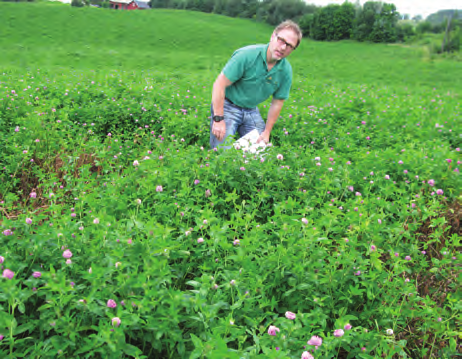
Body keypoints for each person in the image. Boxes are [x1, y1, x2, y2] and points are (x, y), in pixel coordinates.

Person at [209, 20, 302, 150]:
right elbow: (219, 84)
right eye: (281, 40)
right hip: (227, 105)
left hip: (251, 110)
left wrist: (267, 131)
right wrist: (218, 119)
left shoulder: (285, 71)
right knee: (222, 153)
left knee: (260, 151)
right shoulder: (247, 55)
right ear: (272, 36)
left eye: (289, 46)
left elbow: (277, 102)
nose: (283, 48)